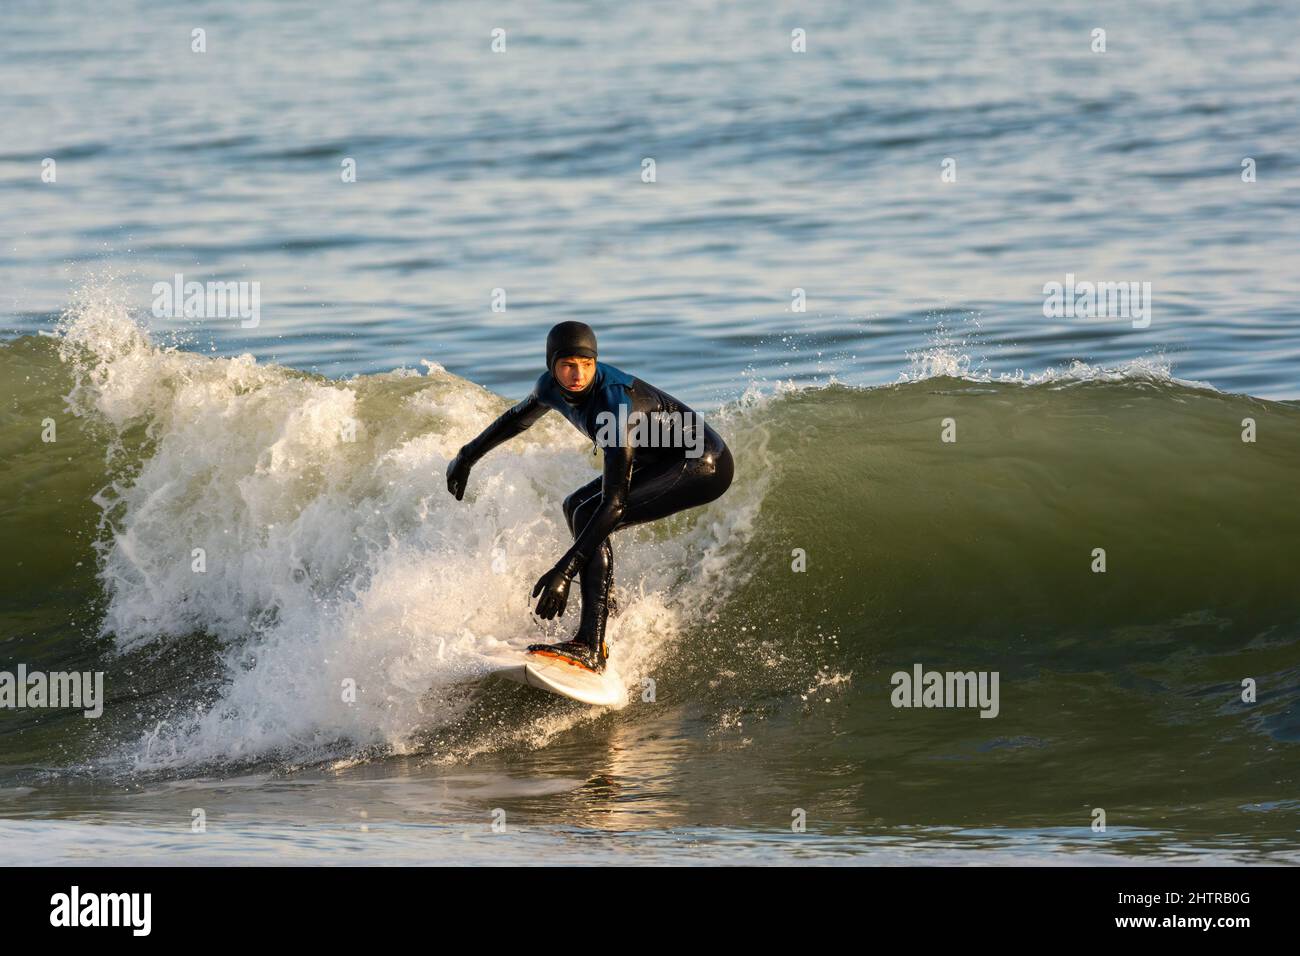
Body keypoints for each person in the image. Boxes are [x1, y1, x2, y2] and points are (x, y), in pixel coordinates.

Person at [445, 321, 734, 673]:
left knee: (589, 514)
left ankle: (590, 646)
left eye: (587, 364)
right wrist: (466, 456)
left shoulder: (615, 408)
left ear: (596, 362)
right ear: (552, 365)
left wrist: (564, 572)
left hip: (703, 463)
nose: (577, 374)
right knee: (574, 506)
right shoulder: (549, 387)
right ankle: (604, 609)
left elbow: (615, 504)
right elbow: (516, 420)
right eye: (567, 365)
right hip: (662, 458)